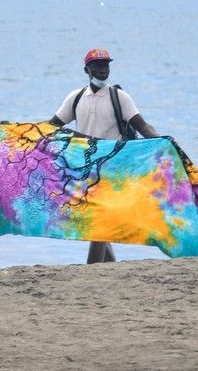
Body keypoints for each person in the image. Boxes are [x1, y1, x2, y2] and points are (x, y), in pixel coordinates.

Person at [48, 48, 161, 264]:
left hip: (113, 167)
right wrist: (18, 130)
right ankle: (109, 267)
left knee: (99, 218)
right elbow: (50, 126)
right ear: (87, 69)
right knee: (96, 219)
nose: (102, 69)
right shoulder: (76, 98)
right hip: (84, 169)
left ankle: (91, 267)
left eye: (106, 65)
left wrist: (162, 140)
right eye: (97, 66)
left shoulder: (119, 97)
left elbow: (143, 125)